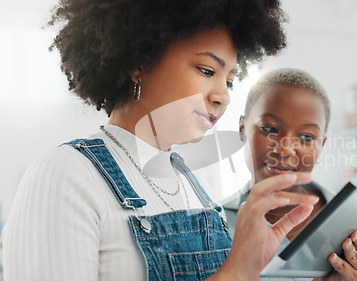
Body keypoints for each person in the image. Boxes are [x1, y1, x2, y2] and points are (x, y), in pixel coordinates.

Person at [1, 2, 322, 281]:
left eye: (229, 81)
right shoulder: (65, 176)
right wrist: (235, 273)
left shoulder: (195, 190)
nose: (222, 96)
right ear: (138, 63)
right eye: (206, 70)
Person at [224, 68, 357, 281]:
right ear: (242, 128)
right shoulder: (211, 226)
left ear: (321, 145)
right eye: (270, 129)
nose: (285, 149)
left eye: (306, 137)